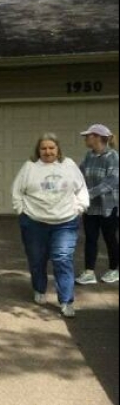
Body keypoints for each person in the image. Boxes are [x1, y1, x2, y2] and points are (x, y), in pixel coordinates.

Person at [12, 133, 90, 316]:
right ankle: (39, 289)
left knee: (62, 259)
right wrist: (20, 210)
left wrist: (80, 207)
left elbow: (81, 188)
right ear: (38, 151)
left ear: (58, 149)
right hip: (34, 222)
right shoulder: (30, 167)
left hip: (65, 223)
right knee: (37, 260)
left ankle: (66, 301)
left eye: (51, 148)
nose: (48, 151)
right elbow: (17, 191)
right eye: (44, 148)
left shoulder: (68, 165)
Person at [76, 123, 119, 286]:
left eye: (88, 136)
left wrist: (88, 194)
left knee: (110, 239)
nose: (85, 139)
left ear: (97, 138)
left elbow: (112, 182)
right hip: (91, 207)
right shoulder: (89, 156)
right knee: (90, 239)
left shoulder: (113, 156)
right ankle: (89, 273)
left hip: (109, 207)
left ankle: (114, 270)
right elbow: (79, 174)